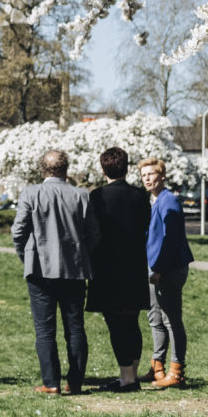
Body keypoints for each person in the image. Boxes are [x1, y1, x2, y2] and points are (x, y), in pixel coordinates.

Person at [11, 149, 100, 395]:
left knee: (44, 330)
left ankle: (51, 383)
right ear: (66, 169)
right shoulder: (81, 195)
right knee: (75, 328)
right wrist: (81, 253)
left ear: (43, 170)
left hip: (39, 269)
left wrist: (25, 255)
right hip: (74, 269)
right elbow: (94, 235)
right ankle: (75, 382)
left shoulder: (31, 193)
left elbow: (18, 231)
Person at [86, 147, 151, 391]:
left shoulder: (96, 197)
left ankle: (126, 379)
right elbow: (146, 227)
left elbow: (91, 233)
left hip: (107, 268)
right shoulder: (139, 196)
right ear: (126, 167)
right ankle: (131, 373)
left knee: (116, 324)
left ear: (103, 170)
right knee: (132, 322)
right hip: (134, 265)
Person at [138, 157, 193, 388]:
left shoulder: (169, 201)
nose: (147, 178)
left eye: (151, 174)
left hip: (168, 269)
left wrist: (159, 269)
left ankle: (176, 370)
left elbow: (169, 240)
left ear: (162, 176)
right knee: (155, 318)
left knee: (171, 320)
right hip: (154, 267)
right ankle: (157, 367)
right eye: (143, 175)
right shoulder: (152, 201)